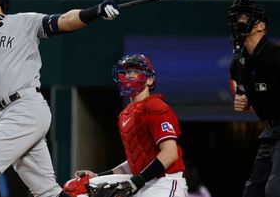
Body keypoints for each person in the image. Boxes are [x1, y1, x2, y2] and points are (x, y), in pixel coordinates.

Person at [0, 0, 120, 197]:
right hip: (10, 113)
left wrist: (95, 11)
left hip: (25, 106)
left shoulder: (21, 21)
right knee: (47, 191)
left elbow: (64, 21)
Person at [64, 54, 188, 197]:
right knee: (77, 188)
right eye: (127, 72)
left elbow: (170, 153)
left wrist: (138, 180)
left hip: (164, 181)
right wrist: (98, 175)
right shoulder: (125, 114)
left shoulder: (155, 106)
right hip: (141, 181)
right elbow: (135, 162)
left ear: (150, 79)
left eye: (136, 71)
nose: (129, 75)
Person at [228, 0, 280, 197]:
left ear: (261, 25)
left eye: (244, 17)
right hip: (270, 132)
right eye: (236, 18)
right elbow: (243, 94)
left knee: (276, 189)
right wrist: (241, 100)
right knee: (253, 191)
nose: (239, 22)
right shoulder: (239, 63)